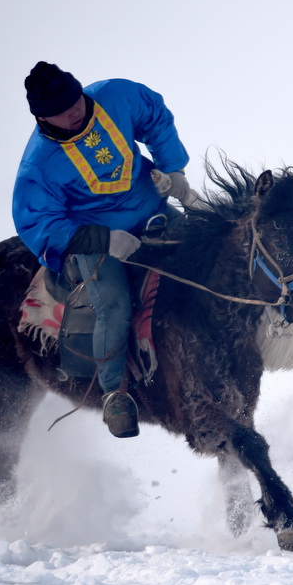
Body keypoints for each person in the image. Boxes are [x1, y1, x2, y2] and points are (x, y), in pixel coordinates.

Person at [12, 61, 194, 439]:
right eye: (62, 111)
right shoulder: (38, 167)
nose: (74, 111)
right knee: (112, 301)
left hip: (153, 210)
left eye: (76, 101)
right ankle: (115, 394)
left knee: (207, 252)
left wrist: (172, 168)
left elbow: (155, 117)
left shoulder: (116, 95)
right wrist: (104, 240)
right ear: (42, 117)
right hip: (94, 240)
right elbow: (41, 226)